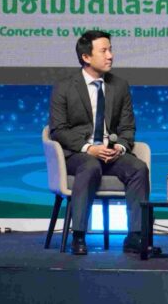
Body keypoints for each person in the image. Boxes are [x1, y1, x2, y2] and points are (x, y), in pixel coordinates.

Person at [48, 30, 149, 256]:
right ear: (86, 57)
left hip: (111, 153)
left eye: (110, 50)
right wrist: (89, 148)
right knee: (90, 165)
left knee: (138, 168)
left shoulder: (119, 86)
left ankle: (135, 236)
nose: (110, 56)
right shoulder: (64, 87)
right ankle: (79, 234)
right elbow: (58, 130)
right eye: (104, 51)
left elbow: (127, 127)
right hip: (78, 154)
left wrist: (119, 147)